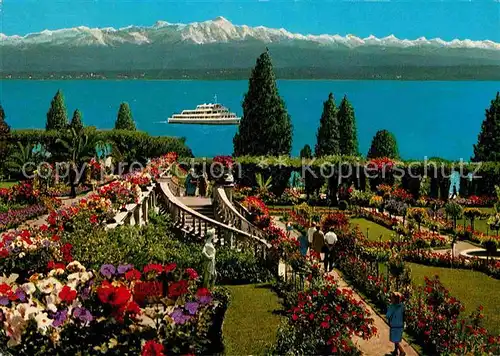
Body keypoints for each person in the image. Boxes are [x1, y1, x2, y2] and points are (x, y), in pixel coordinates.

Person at [387, 292, 406, 356]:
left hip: (394, 324)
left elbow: (388, 315)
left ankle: (402, 351)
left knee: (395, 340)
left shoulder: (391, 306)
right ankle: (395, 351)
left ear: (395, 299)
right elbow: (404, 315)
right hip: (400, 325)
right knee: (396, 338)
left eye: (392, 297)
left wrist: (389, 321)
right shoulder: (402, 306)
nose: (391, 298)